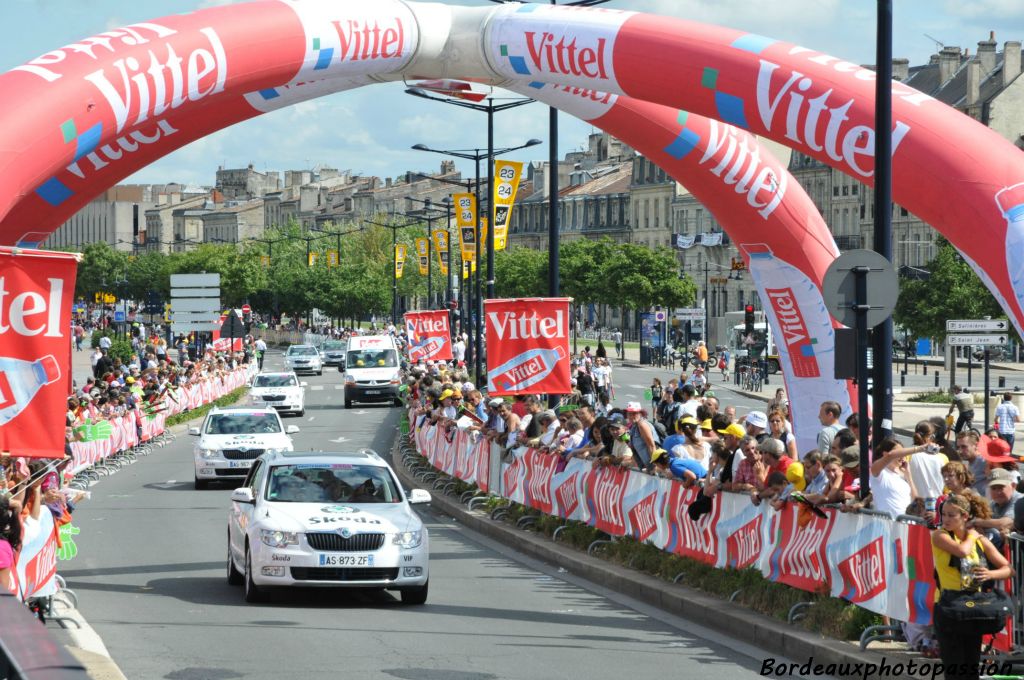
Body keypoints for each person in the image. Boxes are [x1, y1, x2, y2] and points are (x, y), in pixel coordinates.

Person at [931, 493, 1011, 680]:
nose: (946, 519)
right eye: (944, 514)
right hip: (948, 606)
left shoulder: (978, 540)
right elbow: (962, 551)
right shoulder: (940, 535)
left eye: (952, 515)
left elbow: (1008, 568)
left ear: (964, 517)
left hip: (972, 607)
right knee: (954, 669)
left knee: (970, 667)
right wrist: (973, 536)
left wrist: (991, 574)